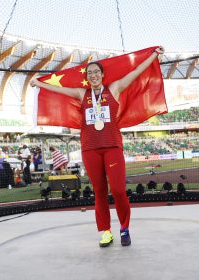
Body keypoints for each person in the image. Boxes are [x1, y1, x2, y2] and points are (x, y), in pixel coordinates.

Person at [31, 46, 165, 247]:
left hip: (112, 147)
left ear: (102, 75)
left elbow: (136, 72)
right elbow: (59, 89)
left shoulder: (114, 89)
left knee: (119, 190)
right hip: (90, 149)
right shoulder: (81, 93)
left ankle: (124, 228)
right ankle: (105, 232)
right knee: (99, 192)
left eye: (96, 72)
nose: (93, 75)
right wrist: (38, 83)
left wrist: (154, 55)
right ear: (87, 77)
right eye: (89, 73)